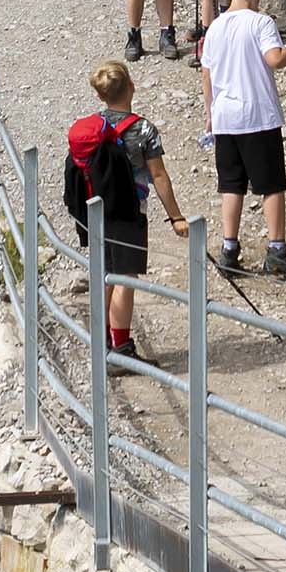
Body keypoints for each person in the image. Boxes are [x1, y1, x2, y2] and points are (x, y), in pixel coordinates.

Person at [63, 58, 188, 354]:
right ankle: (121, 347)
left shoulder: (93, 128)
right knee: (124, 278)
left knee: (105, 273)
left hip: (95, 210)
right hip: (129, 212)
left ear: (100, 95)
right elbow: (158, 176)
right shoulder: (144, 130)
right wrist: (176, 217)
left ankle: (102, 339)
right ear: (131, 87)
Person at [200, 0, 286, 279]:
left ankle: (229, 249)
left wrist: (210, 113)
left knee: (231, 184)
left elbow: (207, 73)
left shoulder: (215, 27)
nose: (259, 4)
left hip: (225, 116)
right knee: (272, 184)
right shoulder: (260, 22)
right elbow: (274, 59)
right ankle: (277, 248)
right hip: (256, 114)